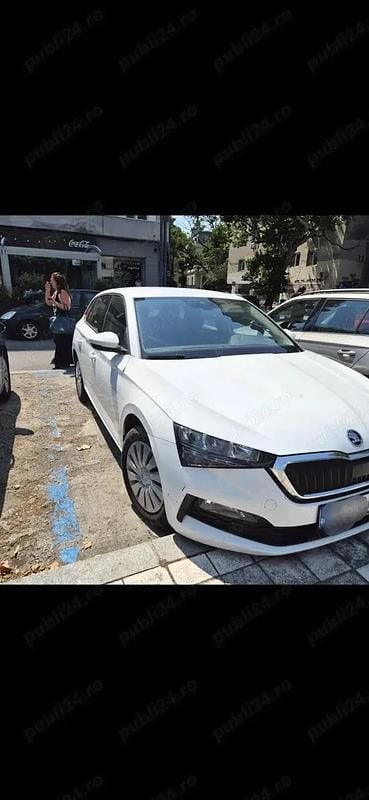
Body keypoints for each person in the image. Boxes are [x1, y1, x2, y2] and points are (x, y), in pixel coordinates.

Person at [45, 272, 73, 369]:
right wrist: (47, 291)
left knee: (62, 343)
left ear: (57, 281)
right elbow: (49, 302)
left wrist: (55, 303)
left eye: (52, 280)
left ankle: (63, 362)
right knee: (59, 342)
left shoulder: (63, 292)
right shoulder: (57, 292)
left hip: (63, 322)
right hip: (59, 322)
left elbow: (67, 307)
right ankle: (61, 362)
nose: (50, 281)